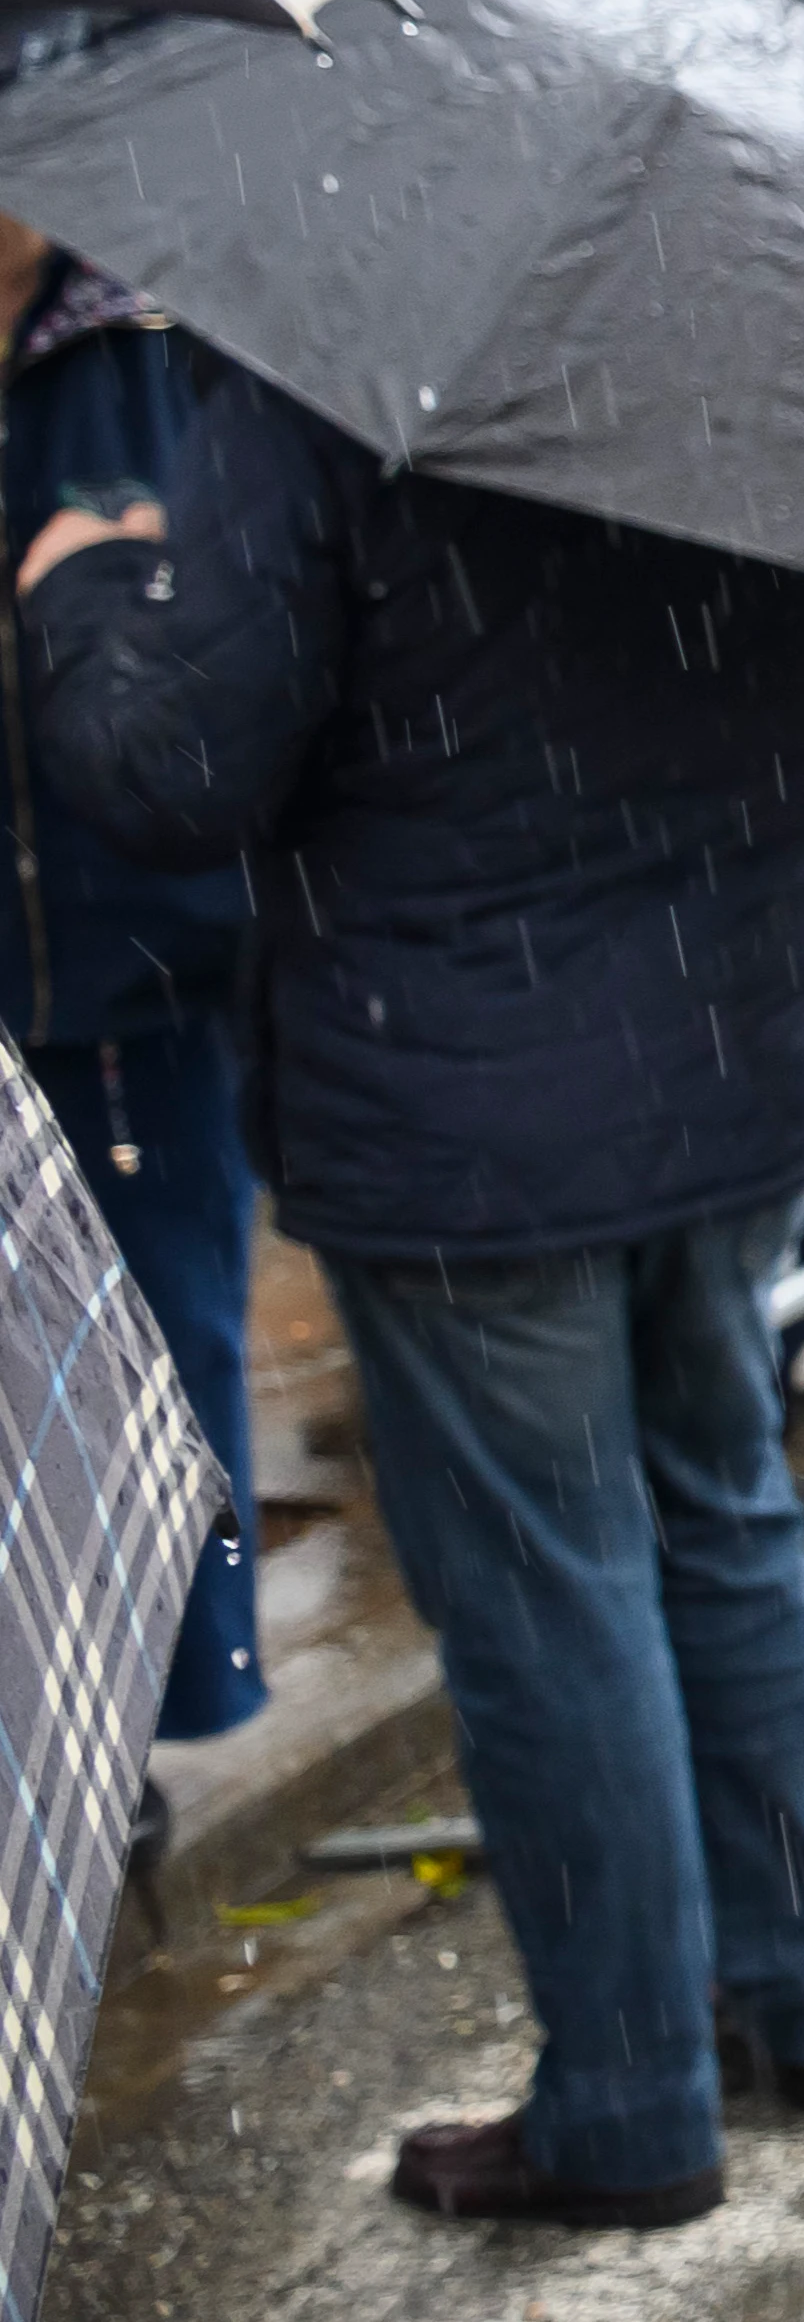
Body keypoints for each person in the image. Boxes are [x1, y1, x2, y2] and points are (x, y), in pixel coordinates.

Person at [19, 364, 804, 2228]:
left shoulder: (328, 369)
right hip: (715, 1058)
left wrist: (83, 585)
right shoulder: (744, 355)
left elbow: (175, 770)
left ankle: (634, 2100)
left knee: (553, 1595)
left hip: (466, 1102)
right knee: (716, 1522)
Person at [0, 222, 262, 1845]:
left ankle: (137, 1731)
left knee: (157, 1346)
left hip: (139, 942)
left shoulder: (152, 342)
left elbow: (219, 618)